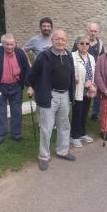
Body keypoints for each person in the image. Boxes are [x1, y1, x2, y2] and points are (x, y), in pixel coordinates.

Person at [27, 29, 76, 171]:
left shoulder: (68, 55)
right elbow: (31, 75)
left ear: (66, 40)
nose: (60, 41)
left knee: (64, 125)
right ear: (52, 40)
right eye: (57, 39)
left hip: (65, 95)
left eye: (63, 39)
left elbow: (71, 75)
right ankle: (43, 156)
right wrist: (35, 87)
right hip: (49, 96)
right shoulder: (44, 56)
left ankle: (62, 151)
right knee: (46, 128)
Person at [0, 33, 31, 146]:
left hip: (16, 86)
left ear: (15, 43)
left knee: (17, 112)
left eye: (12, 44)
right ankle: (0, 136)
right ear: (2, 44)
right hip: (0, 87)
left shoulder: (20, 52)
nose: (10, 47)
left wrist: (30, 85)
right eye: (7, 45)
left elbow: (26, 70)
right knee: (0, 112)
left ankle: (16, 135)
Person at [72, 22, 104, 120]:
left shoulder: (100, 44)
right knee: (78, 101)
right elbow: (72, 57)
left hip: (92, 75)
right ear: (87, 31)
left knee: (91, 97)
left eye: (95, 31)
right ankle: (76, 126)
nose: (93, 33)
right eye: (91, 31)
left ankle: (94, 114)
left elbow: (101, 58)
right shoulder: (80, 41)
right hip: (80, 76)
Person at [71, 35, 96, 148]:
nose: (85, 45)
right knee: (77, 113)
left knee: (85, 112)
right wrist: (75, 78)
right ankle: (74, 136)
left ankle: (81, 133)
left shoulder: (91, 57)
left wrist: (92, 85)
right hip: (78, 89)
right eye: (82, 43)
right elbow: (70, 72)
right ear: (77, 45)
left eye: (87, 43)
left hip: (89, 89)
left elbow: (93, 72)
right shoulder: (72, 56)